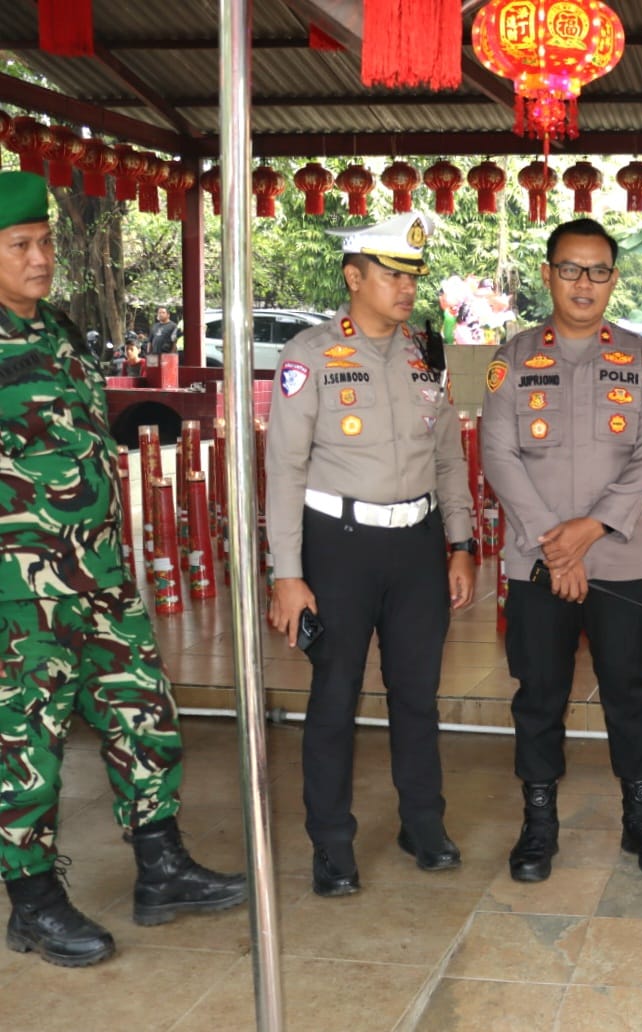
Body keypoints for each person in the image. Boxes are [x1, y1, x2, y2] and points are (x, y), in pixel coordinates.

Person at [0, 171, 246, 967]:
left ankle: (161, 868)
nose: (41, 257)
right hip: (20, 597)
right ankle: (33, 903)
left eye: (45, 242)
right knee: (25, 748)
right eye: (20, 245)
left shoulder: (61, 331)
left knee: (143, 711)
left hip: (99, 577)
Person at [265, 211, 476, 897]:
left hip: (416, 547)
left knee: (417, 694)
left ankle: (423, 822)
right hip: (339, 548)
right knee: (334, 698)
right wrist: (288, 576)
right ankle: (331, 844)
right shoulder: (309, 357)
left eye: (413, 276)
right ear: (354, 278)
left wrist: (461, 543)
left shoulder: (423, 356)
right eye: (392, 275)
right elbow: (285, 471)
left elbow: (449, 459)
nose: (407, 287)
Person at [481, 218, 642, 884]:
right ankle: (538, 824)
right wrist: (555, 546)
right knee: (539, 692)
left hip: (620, 558)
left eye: (597, 271)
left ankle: (641, 819)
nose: (583, 283)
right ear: (548, 275)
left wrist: (589, 530)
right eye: (570, 269)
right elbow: (498, 456)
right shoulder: (512, 359)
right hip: (536, 562)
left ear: (613, 279)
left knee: (629, 689)